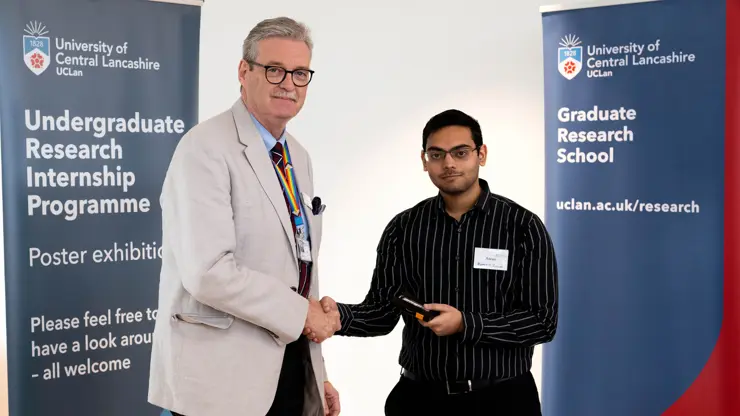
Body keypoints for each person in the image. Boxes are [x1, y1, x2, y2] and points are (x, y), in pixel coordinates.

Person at [148, 17, 341, 416]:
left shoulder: (298, 157)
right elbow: (208, 271)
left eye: (300, 73)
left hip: (287, 364)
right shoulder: (204, 148)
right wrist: (303, 314)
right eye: (275, 70)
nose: (288, 83)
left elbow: (302, 264)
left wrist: (315, 371)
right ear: (244, 71)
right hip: (222, 379)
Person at [317, 109, 558, 415]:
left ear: (481, 155)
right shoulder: (403, 228)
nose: (448, 163)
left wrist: (466, 324)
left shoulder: (522, 227)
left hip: (503, 399)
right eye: (437, 154)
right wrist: (336, 316)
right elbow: (381, 312)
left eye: (460, 152)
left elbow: (542, 322)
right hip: (420, 399)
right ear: (424, 160)